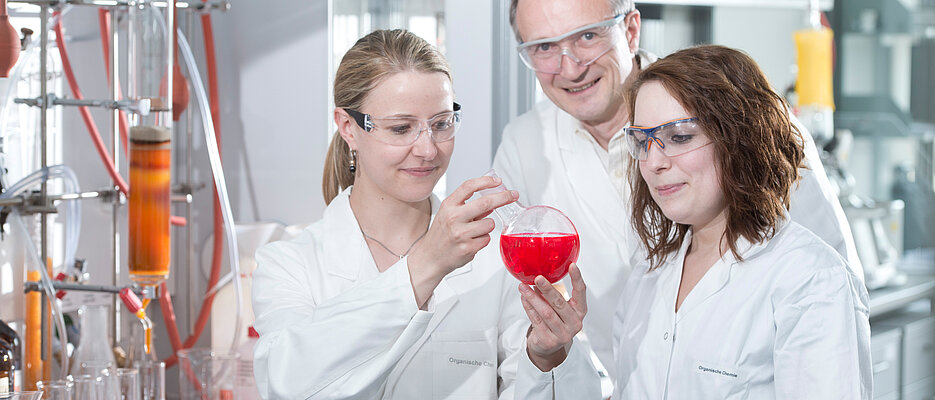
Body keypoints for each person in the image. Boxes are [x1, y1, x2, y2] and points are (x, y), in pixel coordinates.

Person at [493, 0, 863, 376]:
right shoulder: (523, 146)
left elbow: (830, 286)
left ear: (631, 30)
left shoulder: (751, 125)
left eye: (588, 36)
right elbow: (516, 312)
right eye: (544, 47)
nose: (570, 68)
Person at [251, 29, 601, 399]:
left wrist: (545, 355)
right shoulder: (290, 265)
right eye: (401, 128)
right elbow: (285, 382)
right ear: (348, 128)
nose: (428, 150)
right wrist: (425, 265)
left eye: (441, 124)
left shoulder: (492, 256)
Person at [612, 44, 871, 399]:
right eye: (643, 141)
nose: (654, 162)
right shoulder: (649, 274)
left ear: (739, 137)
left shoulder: (810, 280)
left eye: (679, 137)